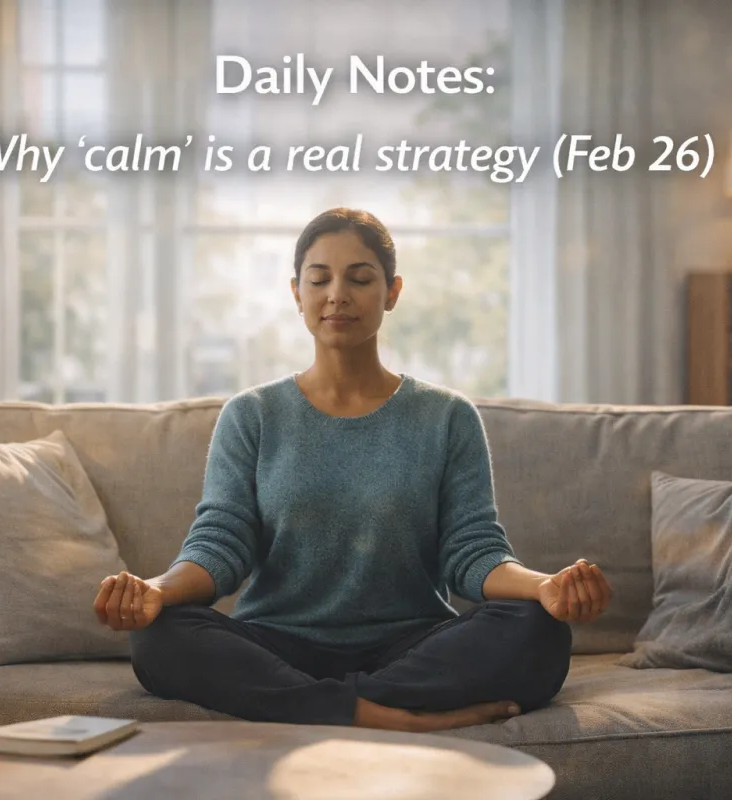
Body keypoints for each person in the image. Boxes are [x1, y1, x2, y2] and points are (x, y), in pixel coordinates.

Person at [92, 207, 613, 733]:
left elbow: (472, 552)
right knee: (160, 636)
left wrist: (545, 586)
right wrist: (155, 590)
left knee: (538, 628)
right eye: (319, 279)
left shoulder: (447, 417)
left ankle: (323, 708)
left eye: (360, 279)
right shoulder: (251, 415)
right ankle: (385, 715)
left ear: (392, 292)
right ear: (297, 293)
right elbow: (220, 546)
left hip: (409, 645)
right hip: (277, 645)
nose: (337, 294)